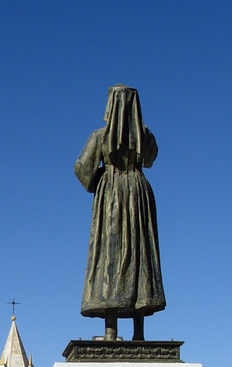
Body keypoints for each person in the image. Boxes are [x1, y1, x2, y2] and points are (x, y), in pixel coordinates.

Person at [75, 85, 166, 341]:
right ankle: (139, 333)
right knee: (138, 256)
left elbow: (83, 169)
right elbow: (150, 159)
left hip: (113, 195)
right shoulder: (145, 137)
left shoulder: (100, 136)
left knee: (110, 259)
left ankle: (110, 331)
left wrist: (101, 179)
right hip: (138, 192)